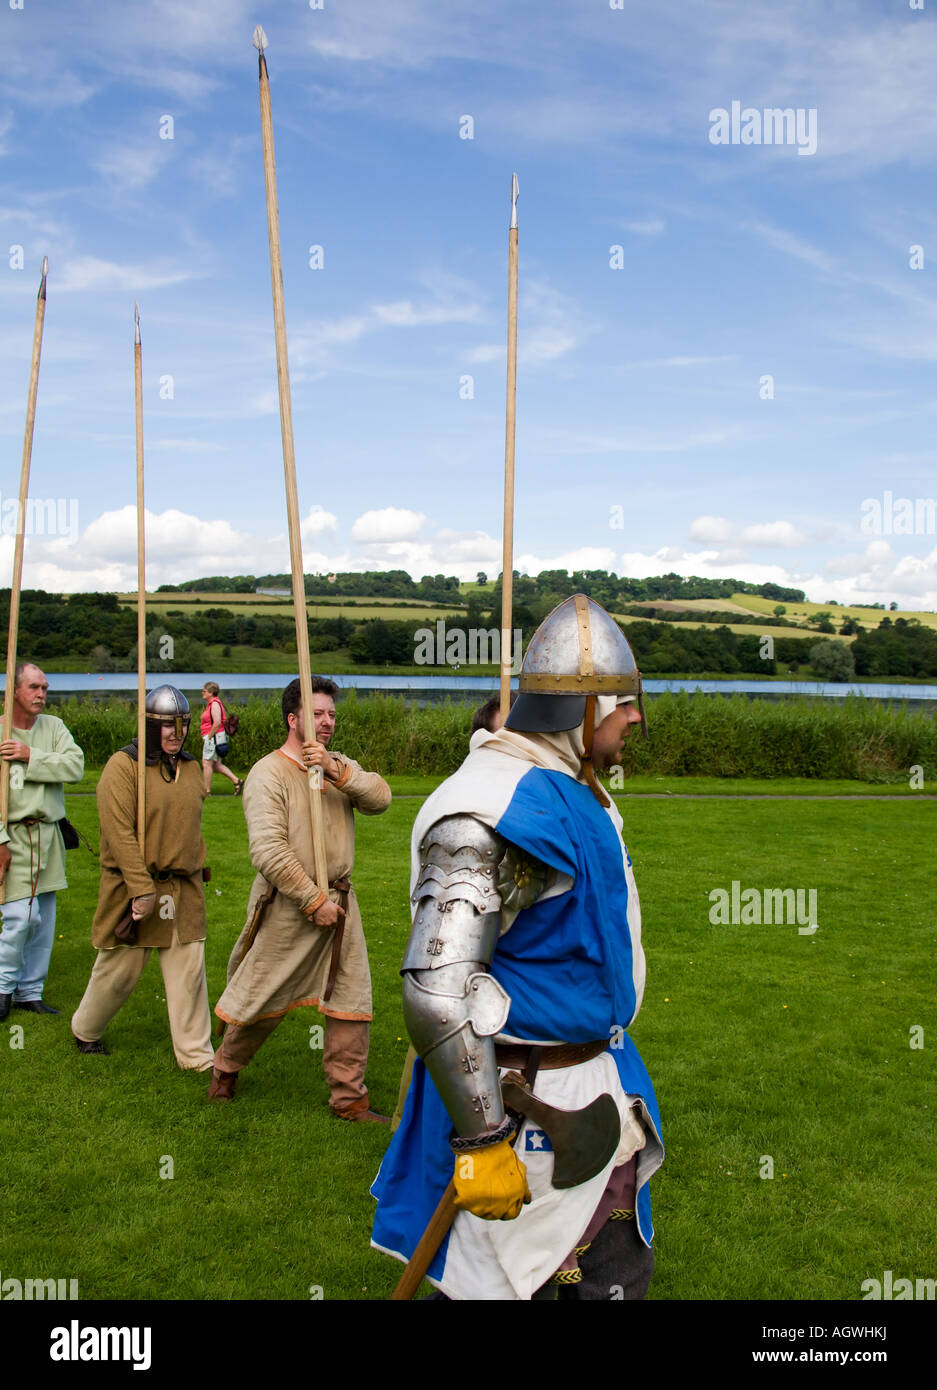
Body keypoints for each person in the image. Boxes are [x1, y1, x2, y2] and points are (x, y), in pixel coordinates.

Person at [371, 595, 664, 1300]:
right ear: (585, 708)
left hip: (589, 1083)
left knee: (605, 1275)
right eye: (624, 703)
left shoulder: (565, 789)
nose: (636, 719)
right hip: (517, 1105)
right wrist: (479, 1142)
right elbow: (438, 987)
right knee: (504, 1286)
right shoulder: (494, 808)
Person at [208, 676, 392, 1120]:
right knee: (262, 998)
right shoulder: (267, 773)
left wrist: (334, 770)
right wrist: (313, 900)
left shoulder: (337, 766)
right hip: (288, 905)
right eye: (317, 714)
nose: (327, 722)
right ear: (293, 720)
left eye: (331, 714)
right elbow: (269, 850)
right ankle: (225, 1071)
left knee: (351, 1000)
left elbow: (381, 798)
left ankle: (348, 1098)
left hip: (342, 903)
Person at [70, 685, 214, 1069]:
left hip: (182, 889)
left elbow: (188, 828)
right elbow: (118, 833)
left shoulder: (190, 767)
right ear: (149, 725)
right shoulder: (123, 766)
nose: (175, 733)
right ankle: (86, 1029)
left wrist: (194, 865)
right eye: (166, 725)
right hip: (135, 888)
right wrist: (140, 888)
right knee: (118, 973)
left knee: (189, 973)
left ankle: (197, 1057)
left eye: (181, 724)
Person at [0, 663, 84, 1020]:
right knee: (20, 916)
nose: (41, 694)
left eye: (45, 688)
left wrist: (30, 755)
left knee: (44, 919)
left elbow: (75, 767)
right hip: (12, 835)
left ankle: (30, 992)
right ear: (14, 691)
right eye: (34, 687)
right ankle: (3, 987)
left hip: (48, 835)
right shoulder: (1, 730)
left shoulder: (54, 727)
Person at [200, 682, 241, 796]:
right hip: (216, 736)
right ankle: (237, 781)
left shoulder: (214, 704)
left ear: (211, 693)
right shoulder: (212, 703)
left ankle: (206, 791)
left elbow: (217, 722)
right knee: (216, 764)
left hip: (214, 737)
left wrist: (208, 737)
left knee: (206, 763)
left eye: (204, 691)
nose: (202, 692)